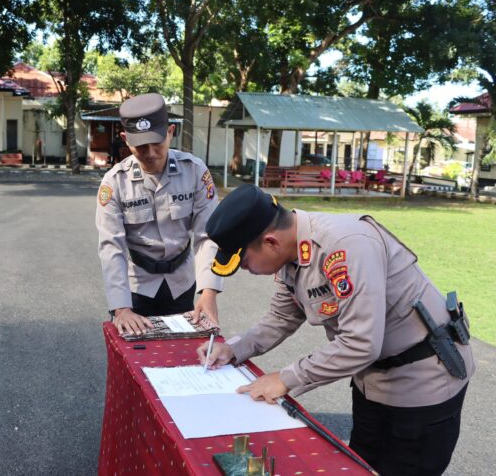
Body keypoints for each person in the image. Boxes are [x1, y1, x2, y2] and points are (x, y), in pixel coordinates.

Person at [198, 184, 474, 475]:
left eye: (243, 261)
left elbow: (361, 343)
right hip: (373, 383)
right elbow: (281, 317)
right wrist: (233, 348)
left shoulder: (346, 245)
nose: (245, 269)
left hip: (421, 383)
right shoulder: (290, 253)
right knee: (360, 466)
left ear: (271, 242)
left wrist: (286, 378)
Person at [96, 93, 223, 336]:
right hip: (136, 288)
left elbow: (207, 235)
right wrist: (121, 308)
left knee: (184, 355)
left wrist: (209, 292)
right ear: (125, 139)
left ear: (171, 132)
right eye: (141, 147)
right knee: (137, 360)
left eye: (158, 143)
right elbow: (111, 246)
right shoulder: (114, 183)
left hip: (182, 283)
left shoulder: (194, 172)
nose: (152, 153)